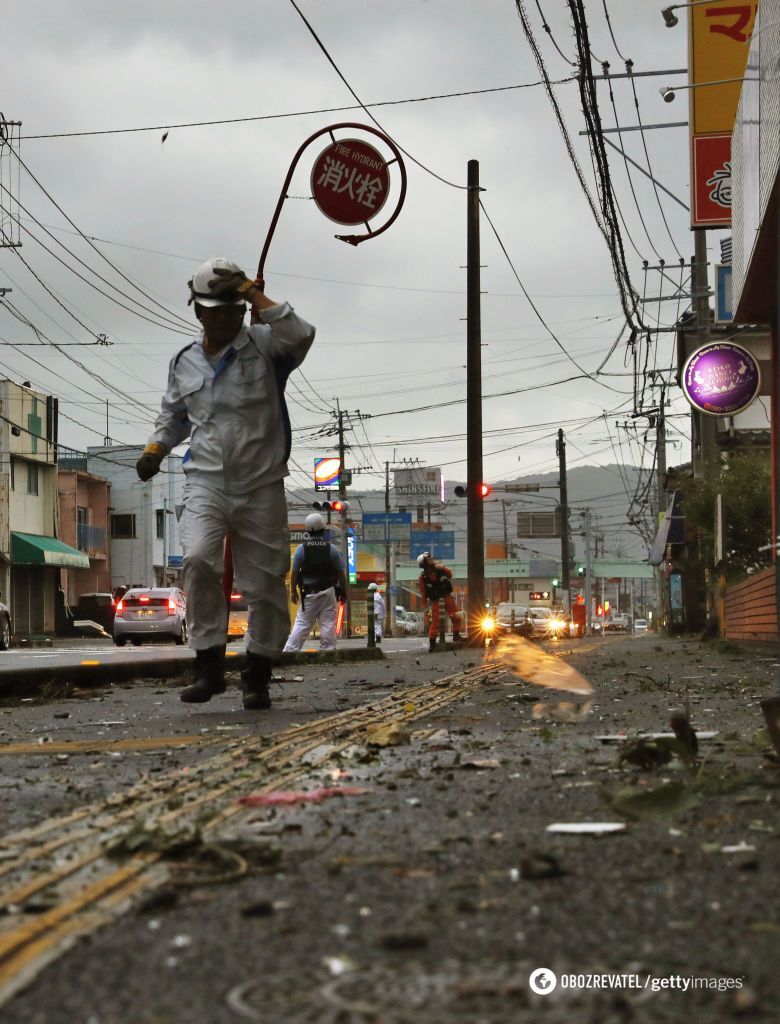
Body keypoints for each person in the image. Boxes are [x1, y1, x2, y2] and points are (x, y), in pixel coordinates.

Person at [136, 257, 315, 709]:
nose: (226, 317)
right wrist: (156, 448)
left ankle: (257, 673)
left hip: (261, 484)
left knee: (265, 584)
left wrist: (255, 294)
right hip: (206, 480)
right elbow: (174, 415)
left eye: (233, 308)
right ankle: (208, 664)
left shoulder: (267, 346)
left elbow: (303, 334)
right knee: (197, 560)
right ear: (198, 311)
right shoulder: (184, 361)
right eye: (216, 309)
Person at [284, 512, 347, 652]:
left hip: (310, 592)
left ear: (307, 531)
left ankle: (290, 651)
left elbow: (294, 573)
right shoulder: (332, 549)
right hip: (329, 591)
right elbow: (340, 573)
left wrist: (293, 591)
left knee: (302, 623)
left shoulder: (302, 549)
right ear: (323, 529)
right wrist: (344, 592)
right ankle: (328, 651)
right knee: (328, 623)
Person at [417, 551, 464, 653]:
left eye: (430, 558)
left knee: (456, 616)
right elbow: (423, 593)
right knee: (436, 623)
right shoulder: (423, 578)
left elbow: (450, 575)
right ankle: (432, 644)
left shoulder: (439, 569)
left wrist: (443, 567)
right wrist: (425, 608)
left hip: (447, 597)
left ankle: (456, 636)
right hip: (436, 601)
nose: (431, 560)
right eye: (428, 559)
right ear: (424, 564)